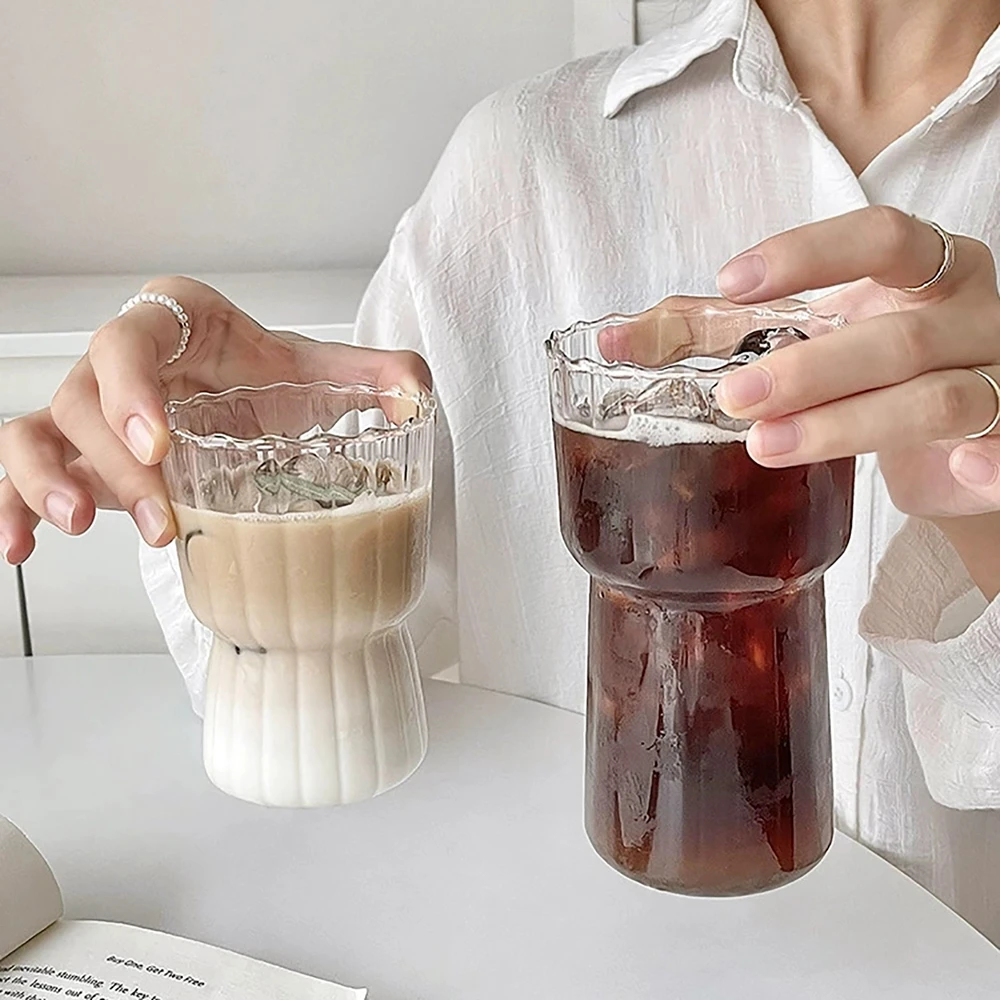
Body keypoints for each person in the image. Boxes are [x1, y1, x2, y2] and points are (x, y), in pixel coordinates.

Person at [2, 0, 1000, 939]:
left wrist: (981, 514)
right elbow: (301, 692)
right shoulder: (524, 164)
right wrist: (220, 465)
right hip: (563, 951)